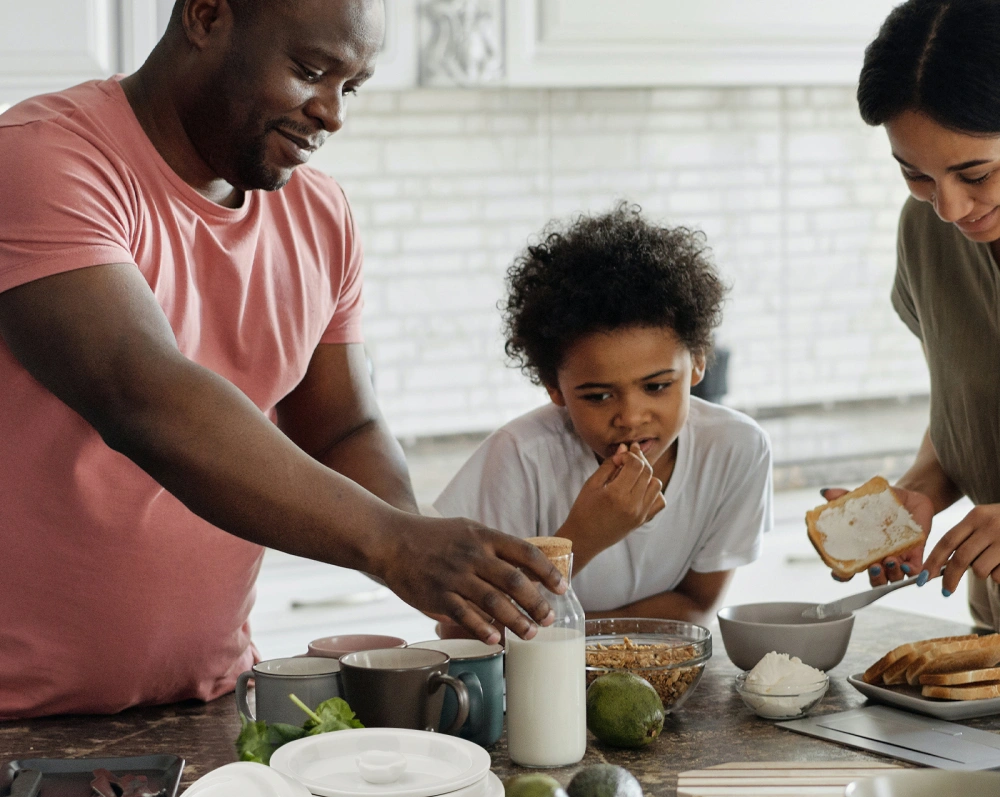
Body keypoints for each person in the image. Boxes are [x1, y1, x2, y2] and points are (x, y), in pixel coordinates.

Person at [0, 0, 563, 720]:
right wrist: (391, 544)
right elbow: (141, 396)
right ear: (206, 17)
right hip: (16, 726)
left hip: (210, 704)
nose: (332, 114)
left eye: (350, 87)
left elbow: (343, 429)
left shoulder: (319, 216)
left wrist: (433, 564)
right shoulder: (41, 158)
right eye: (310, 71)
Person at [434, 205, 773, 625]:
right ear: (553, 386)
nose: (630, 417)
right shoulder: (521, 458)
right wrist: (583, 536)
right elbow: (461, 626)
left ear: (699, 362)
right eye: (597, 396)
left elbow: (696, 605)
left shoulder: (736, 449)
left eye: (657, 386)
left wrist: (571, 630)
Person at [825, 0, 1000, 631]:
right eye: (917, 176)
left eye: (975, 173)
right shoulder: (929, 234)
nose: (950, 207)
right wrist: (919, 494)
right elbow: (968, 413)